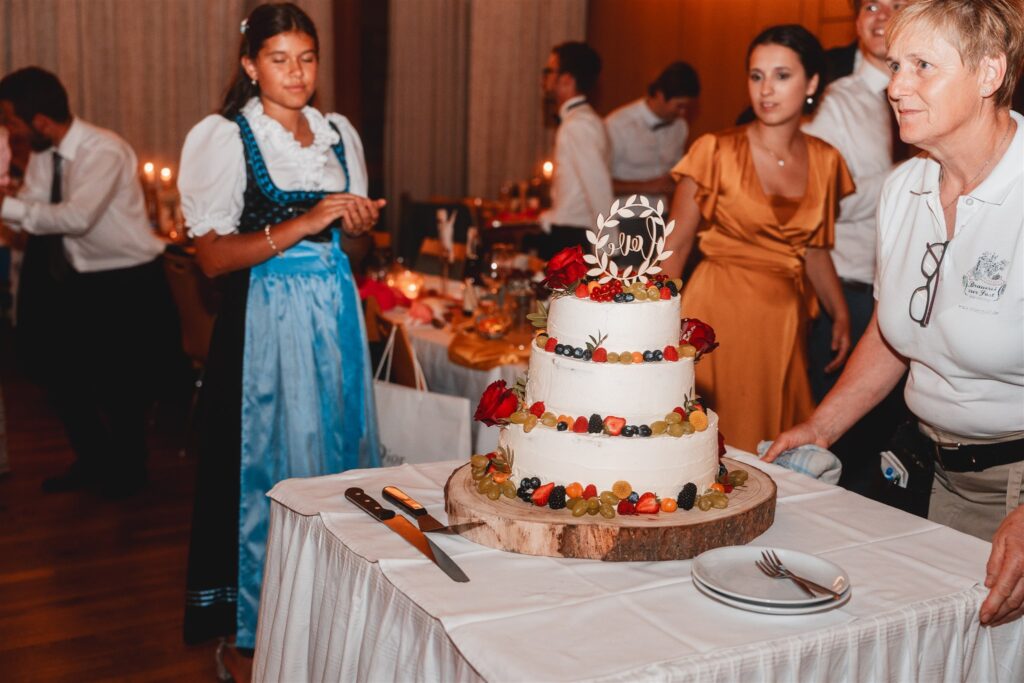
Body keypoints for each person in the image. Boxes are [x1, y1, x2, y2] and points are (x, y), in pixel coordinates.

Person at [765, 0, 1023, 628]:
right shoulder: (904, 189)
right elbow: (893, 333)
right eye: (895, 66)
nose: (897, 87)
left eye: (922, 67)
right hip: (918, 468)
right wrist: (822, 427)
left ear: (990, 73)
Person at [178, 2, 382, 657]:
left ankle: (337, 610)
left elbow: (353, 251)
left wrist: (356, 229)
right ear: (250, 65)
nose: (296, 73)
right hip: (265, 316)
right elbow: (211, 258)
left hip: (336, 314)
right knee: (271, 461)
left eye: (307, 58)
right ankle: (266, 616)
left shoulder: (337, 133)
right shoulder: (225, 136)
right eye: (279, 59)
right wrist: (304, 222)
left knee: (338, 451)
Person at [663, 25, 855, 453]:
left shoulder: (826, 161)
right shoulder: (714, 150)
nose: (766, 89)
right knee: (704, 448)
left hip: (783, 323)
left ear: (812, 83)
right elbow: (675, 247)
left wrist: (840, 311)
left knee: (770, 453)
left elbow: (814, 248)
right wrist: (654, 327)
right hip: (715, 314)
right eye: (756, 76)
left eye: (782, 75)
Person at [0, 67, 175, 496]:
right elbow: (37, 208)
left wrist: (6, 207)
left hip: (128, 279)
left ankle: (129, 473)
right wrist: (12, 202)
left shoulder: (104, 150)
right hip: (79, 277)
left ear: (40, 120)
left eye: (12, 120)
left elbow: (77, 218)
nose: (9, 129)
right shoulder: (45, 153)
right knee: (64, 377)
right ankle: (93, 459)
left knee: (121, 386)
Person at [802, 0, 909, 495]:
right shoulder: (833, 101)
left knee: (899, 449)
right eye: (871, 5)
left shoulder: (938, 96)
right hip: (851, 293)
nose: (883, 15)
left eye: (898, 4)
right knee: (845, 452)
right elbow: (822, 204)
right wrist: (908, 176)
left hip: (917, 294)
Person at [536, 41, 614, 260]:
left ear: (567, 79)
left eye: (549, 71)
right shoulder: (580, 120)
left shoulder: (579, 124)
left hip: (572, 235)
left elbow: (598, 187)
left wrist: (607, 249)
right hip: (569, 231)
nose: (544, 79)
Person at [605, 61, 701, 206]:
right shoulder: (618, 124)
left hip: (662, 211)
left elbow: (675, 172)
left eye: (687, 107)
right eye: (679, 106)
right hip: (622, 212)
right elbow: (599, 182)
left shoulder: (680, 127)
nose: (683, 113)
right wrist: (648, 186)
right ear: (660, 95)